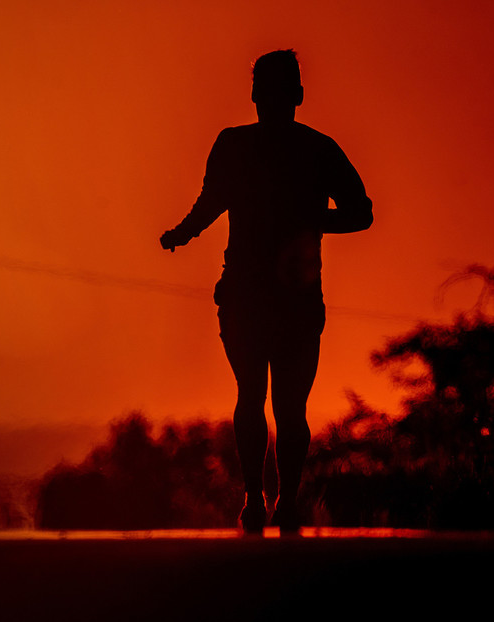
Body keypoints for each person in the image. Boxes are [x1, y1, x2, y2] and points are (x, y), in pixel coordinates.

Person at [160, 50, 373, 535]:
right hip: (263, 296)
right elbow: (358, 213)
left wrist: (311, 220)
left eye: (276, 90)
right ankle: (271, 501)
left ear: (292, 95)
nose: (270, 99)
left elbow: (361, 212)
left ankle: (269, 501)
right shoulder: (308, 149)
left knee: (262, 400)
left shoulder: (262, 146)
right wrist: (183, 233)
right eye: (267, 90)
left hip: (266, 297)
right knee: (273, 402)